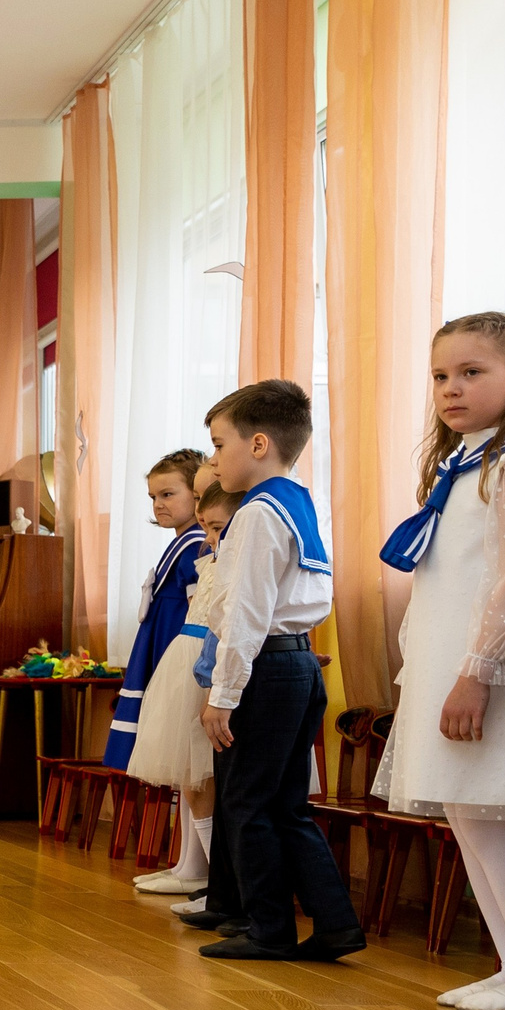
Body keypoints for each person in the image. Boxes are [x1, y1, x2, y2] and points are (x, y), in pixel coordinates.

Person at [372, 310, 505, 1010]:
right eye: (440, 375)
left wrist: (479, 670)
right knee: (467, 818)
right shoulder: (464, 464)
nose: (451, 388)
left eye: (471, 372)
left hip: (494, 675)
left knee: (492, 822)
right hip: (453, 667)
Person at [194, 379, 365, 962]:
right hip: (295, 664)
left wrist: (222, 693)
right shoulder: (296, 500)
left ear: (259, 443)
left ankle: (269, 929)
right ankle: (336, 924)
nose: (214, 459)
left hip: (264, 667)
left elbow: (246, 610)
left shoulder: (257, 514)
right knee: (285, 804)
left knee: (246, 803)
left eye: (219, 445)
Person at [130, 480, 236, 912]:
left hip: (205, 660)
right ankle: (207, 878)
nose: (209, 536)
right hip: (189, 655)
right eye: (205, 527)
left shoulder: (232, 552)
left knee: (202, 778)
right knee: (193, 780)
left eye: (215, 527)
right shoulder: (208, 550)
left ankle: (221, 887)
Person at [106, 447, 207, 783]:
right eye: (153, 496)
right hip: (158, 646)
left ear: (197, 494)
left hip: (174, 651)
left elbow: (201, 612)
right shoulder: (181, 543)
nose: (158, 504)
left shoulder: (196, 546)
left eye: (167, 494)